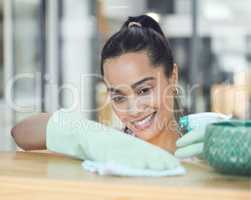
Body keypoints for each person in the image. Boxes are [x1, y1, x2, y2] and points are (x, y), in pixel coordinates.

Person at [10, 15, 227, 158]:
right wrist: (87, 136)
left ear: (173, 76)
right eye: (119, 97)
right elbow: (21, 132)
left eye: (143, 90)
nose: (133, 109)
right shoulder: (110, 149)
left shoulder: (207, 144)